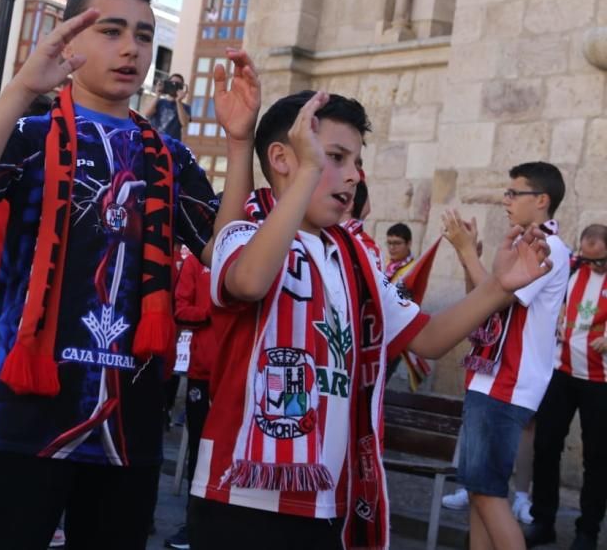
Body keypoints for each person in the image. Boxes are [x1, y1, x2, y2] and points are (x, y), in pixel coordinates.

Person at [0, 0, 260, 550]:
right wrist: (19, 91)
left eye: (144, 35)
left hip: (127, 425)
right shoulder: (31, 132)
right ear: (70, 41)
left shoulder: (169, 155)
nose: (132, 48)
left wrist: (239, 144)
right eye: (111, 30)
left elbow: (227, 260)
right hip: (21, 418)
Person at [188, 90, 554, 550]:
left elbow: (427, 338)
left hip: (327, 495)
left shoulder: (355, 257)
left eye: (356, 162)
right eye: (335, 158)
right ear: (283, 159)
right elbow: (249, 282)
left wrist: (498, 286)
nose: (353, 176)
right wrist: (306, 173)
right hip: (240, 492)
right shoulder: (243, 231)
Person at [441, 161, 571, 550]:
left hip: (508, 383)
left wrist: (467, 254)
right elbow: (481, 303)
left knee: (488, 494)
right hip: (490, 378)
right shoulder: (521, 242)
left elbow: (502, 293)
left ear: (542, 200)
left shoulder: (549, 247)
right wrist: (473, 258)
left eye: (515, 193)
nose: (506, 200)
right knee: (482, 493)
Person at [525, 224, 607, 550]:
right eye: (586, 259)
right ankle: (543, 520)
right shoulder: (573, 268)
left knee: (597, 458)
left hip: (600, 381)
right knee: (545, 446)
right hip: (561, 371)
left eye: (599, 260)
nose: (592, 266)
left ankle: (588, 531)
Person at [164, 246, 217, 550]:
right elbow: (180, 308)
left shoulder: (249, 256)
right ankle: (193, 524)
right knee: (199, 450)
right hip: (202, 374)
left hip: (240, 374)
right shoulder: (198, 260)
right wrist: (213, 312)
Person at [142, 73, 190, 142]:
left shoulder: (185, 107)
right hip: (154, 142)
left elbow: (184, 123)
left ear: (181, 87)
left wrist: (178, 101)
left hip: (171, 146)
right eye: (172, 83)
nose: (174, 86)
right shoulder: (159, 102)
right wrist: (157, 95)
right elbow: (147, 114)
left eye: (177, 84)